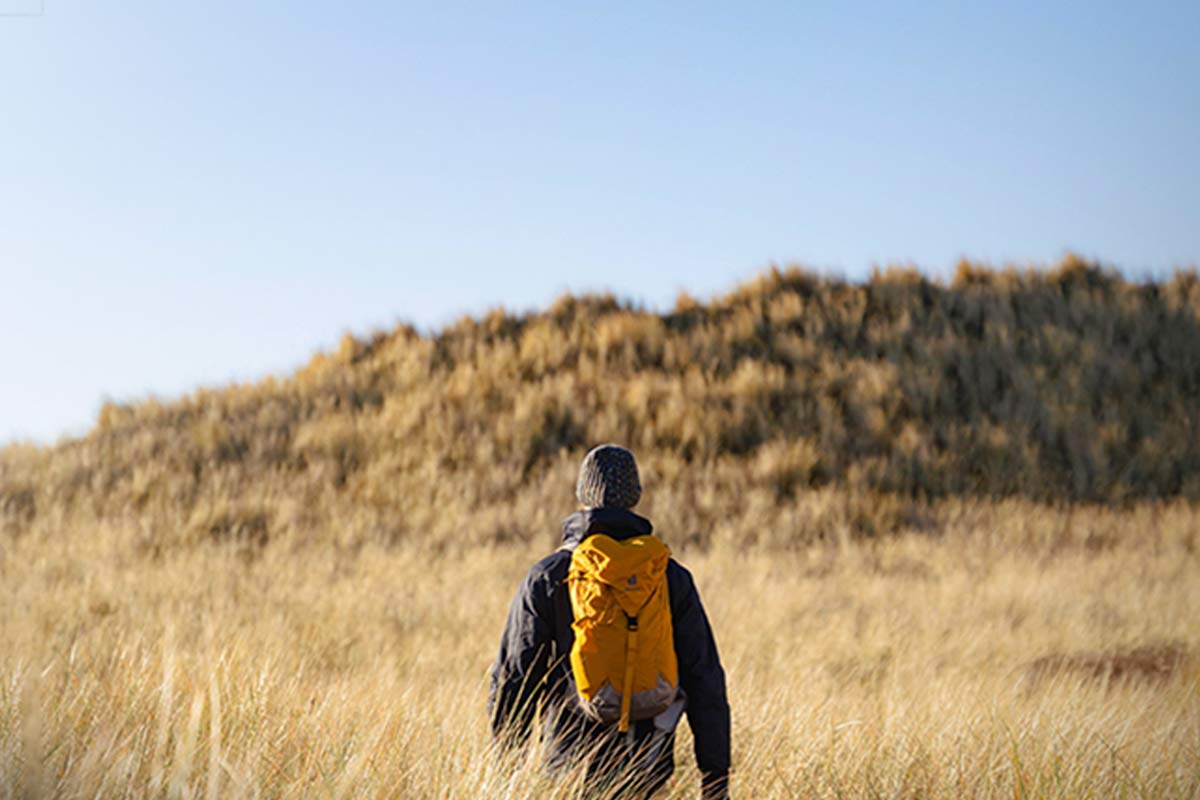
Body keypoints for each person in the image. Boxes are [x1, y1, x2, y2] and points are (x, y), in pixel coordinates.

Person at [488, 444, 731, 799]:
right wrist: (715, 779)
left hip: (570, 770)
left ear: (582, 495)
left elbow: (515, 677)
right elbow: (704, 678)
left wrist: (505, 770)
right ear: (635, 497)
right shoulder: (667, 575)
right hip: (647, 766)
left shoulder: (549, 576)